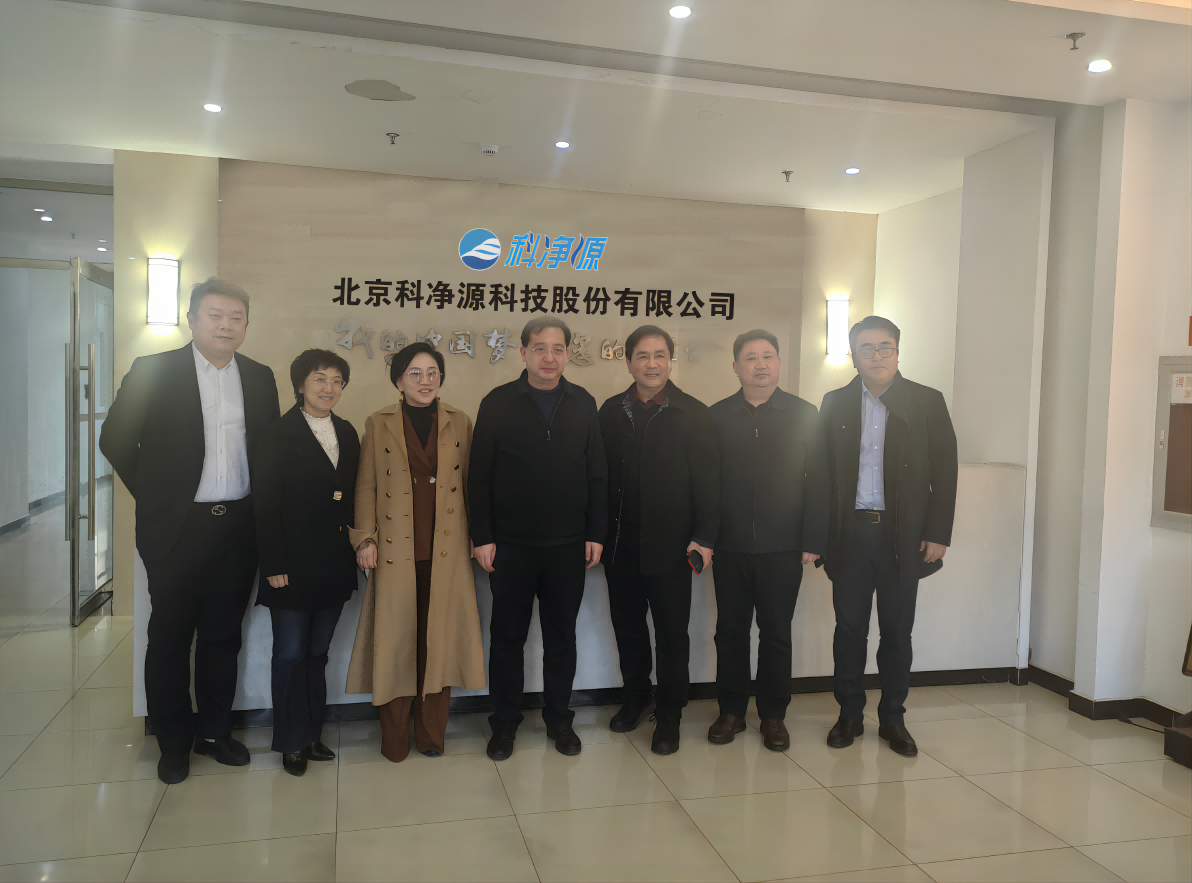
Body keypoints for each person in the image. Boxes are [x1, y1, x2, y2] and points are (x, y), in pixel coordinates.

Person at [100, 277, 280, 784]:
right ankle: (174, 742)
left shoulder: (260, 376)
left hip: (238, 528)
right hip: (177, 529)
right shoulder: (153, 370)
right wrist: (157, 495)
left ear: (246, 324)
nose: (226, 325)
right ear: (192, 319)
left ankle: (215, 733)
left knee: (224, 636)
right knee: (170, 639)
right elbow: (114, 438)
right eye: (215, 315)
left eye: (236, 318)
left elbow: (268, 451)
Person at [819, 316, 958, 756]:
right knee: (849, 631)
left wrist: (938, 532)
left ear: (898, 352)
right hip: (851, 535)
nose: (877, 356)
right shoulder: (835, 402)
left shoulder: (926, 401)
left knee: (897, 632)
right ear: (853, 356)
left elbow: (946, 471)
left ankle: (893, 719)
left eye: (885, 347)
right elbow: (821, 475)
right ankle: (849, 716)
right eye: (867, 348)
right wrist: (819, 537)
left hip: (904, 538)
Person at [469, 318, 607, 760]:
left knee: (561, 638)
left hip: (568, 546)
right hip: (510, 546)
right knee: (507, 638)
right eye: (540, 348)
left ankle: (560, 720)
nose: (549, 357)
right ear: (523, 352)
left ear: (568, 353)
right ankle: (504, 724)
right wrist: (482, 536)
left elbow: (597, 473)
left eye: (558, 349)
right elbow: (479, 475)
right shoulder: (498, 402)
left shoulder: (583, 402)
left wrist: (596, 533)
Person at [347, 342, 486, 762]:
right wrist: (364, 538)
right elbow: (366, 484)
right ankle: (394, 739)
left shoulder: (460, 421)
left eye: (432, 373)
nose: (425, 381)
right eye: (414, 373)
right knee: (397, 642)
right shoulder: (378, 422)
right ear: (399, 381)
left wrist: (479, 535)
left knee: (437, 643)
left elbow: (473, 485)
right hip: (395, 548)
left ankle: (430, 736)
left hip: (447, 548)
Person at [598, 325, 718, 755]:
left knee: (671, 635)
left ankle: (669, 715)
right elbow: (598, 477)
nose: (652, 364)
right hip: (620, 545)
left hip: (672, 547)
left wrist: (704, 538)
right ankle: (635, 699)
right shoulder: (610, 411)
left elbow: (710, 483)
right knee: (628, 629)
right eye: (643, 356)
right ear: (629, 362)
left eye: (660, 355)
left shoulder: (694, 413)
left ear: (670, 360)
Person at [708, 330, 828, 752]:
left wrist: (814, 537)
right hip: (729, 545)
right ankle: (731, 711)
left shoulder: (804, 413)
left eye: (768, 356)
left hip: (784, 545)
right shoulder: (717, 416)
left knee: (776, 632)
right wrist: (705, 538)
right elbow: (706, 483)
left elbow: (820, 480)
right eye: (750, 357)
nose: (760, 364)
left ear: (778, 364)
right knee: (730, 631)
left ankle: (774, 715)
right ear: (736, 366)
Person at [253, 349, 360, 776]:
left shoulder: (347, 431)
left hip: (334, 561)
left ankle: (312, 735)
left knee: (318, 652)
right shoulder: (277, 434)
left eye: (336, 381)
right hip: (291, 564)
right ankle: (290, 741)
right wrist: (272, 563)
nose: (328, 388)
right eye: (319, 379)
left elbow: (352, 496)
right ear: (300, 385)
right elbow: (265, 503)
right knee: (290, 653)